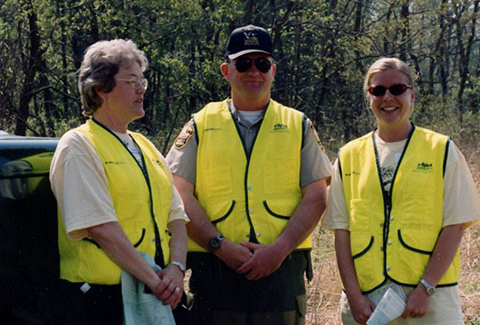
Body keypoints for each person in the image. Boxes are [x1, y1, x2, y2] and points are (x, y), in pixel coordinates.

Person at [166, 25, 332, 325]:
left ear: (273, 70)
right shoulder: (201, 124)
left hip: (282, 272)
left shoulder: (299, 125)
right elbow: (178, 193)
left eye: (262, 63)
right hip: (215, 271)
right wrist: (220, 246)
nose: (253, 71)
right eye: (243, 63)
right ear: (226, 70)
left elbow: (317, 197)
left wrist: (278, 250)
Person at [323, 57, 480, 325]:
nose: (388, 97)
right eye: (378, 90)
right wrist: (354, 297)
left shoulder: (442, 150)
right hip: (366, 304)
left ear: (412, 94)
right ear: (369, 96)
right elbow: (342, 232)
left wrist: (426, 288)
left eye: (397, 89)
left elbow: (455, 225)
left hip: (430, 302)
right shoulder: (348, 155)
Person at [50, 39, 189, 324]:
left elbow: (176, 217)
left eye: (143, 82)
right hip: (102, 301)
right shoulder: (78, 145)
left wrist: (176, 270)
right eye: (131, 82)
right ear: (101, 89)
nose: (141, 90)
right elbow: (101, 228)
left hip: (155, 293)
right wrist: (156, 281)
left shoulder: (145, 146)